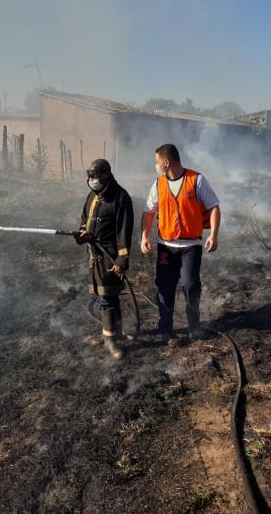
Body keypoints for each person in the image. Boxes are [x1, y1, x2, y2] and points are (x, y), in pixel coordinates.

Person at [140, 143, 220, 346]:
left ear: (166, 162)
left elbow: (213, 207)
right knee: (165, 287)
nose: (156, 166)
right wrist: (144, 237)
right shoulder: (158, 184)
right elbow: (149, 211)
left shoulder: (196, 180)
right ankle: (166, 330)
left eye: (157, 162)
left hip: (190, 245)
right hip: (166, 246)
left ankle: (194, 327)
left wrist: (214, 235)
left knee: (191, 286)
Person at [75, 159, 134, 360]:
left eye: (95, 176)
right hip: (94, 257)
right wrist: (82, 234)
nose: (92, 180)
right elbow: (84, 222)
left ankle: (111, 340)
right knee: (102, 297)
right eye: (90, 176)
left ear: (106, 174)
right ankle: (110, 333)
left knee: (108, 297)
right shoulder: (92, 196)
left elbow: (124, 231)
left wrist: (121, 259)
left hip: (109, 256)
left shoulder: (120, 197)